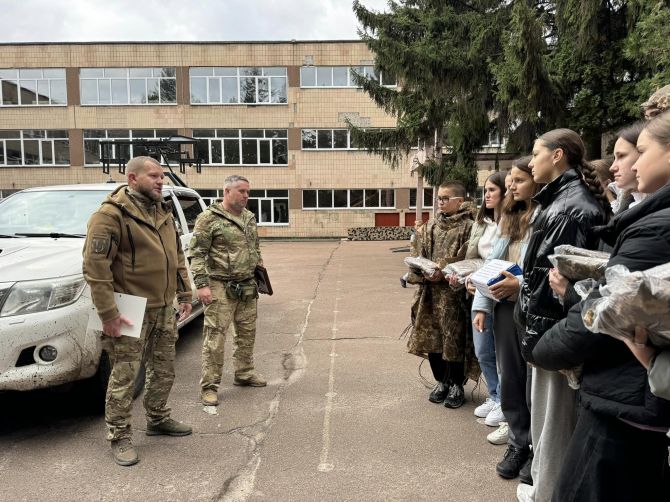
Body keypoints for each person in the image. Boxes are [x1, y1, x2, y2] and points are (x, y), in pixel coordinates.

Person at [531, 113, 670, 501]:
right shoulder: (643, 216)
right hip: (631, 393)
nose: (624, 164)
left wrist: (544, 347)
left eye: (638, 152)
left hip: (627, 402)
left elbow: (609, 306)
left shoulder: (653, 225)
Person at [83, 156, 194, 467]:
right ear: (132, 179)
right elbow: (95, 269)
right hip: (127, 306)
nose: (161, 181)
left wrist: (185, 293)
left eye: (162, 176)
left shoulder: (163, 209)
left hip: (162, 305)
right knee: (125, 375)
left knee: (164, 369)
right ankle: (119, 435)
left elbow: (177, 255)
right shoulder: (109, 216)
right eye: (154, 176)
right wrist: (108, 314)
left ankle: (158, 418)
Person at [517, 129, 609, 502]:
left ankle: (548, 493)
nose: (531, 160)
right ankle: (544, 486)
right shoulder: (559, 201)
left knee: (553, 420)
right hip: (546, 327)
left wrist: (539, 337)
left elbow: (555, 281)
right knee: (545, 416)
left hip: (553, 329)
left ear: (557, 156)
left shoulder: (571, 207)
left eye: (536, 154)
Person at [472, 156, 541, 480]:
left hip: (533, 307)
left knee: (533, 382)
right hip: (503, 306)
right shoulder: (510, 216)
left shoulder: (547, 213)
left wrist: (522, 284)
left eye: (518, 179)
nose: (511, 185)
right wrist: (483, 305)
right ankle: (518, 443)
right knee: (511, 378)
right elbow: (494, 262)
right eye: (510, 180)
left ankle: (536, 450)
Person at [190, 175, 266, 408]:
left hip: (246, 285)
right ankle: (210, 387)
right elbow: (197, 254)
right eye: (241, 191)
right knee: (215, 337)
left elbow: (254, 248)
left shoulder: (248, 218)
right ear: (226, 191)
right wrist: (202, 285)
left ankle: (244, 372)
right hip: (220, 285)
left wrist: (260, 274)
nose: (246, 196)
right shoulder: (208, 219)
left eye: (248, 192)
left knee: (246, 332)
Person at [406, 181, 479, 409]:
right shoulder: (430, 228)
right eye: (438, 198)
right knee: (432, 338)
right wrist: (422, 270)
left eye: (445, 199)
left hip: (454, 297)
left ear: (460, 201)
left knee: (453, 340)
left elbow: (472, 258)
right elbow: (417, 255)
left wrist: (446, 272)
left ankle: (457, 384)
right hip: (429, 295)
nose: (440, 202)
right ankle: (441, 382)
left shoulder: (469, 227)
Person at [464, 172, 506, 428]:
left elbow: (500, 262)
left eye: (492, 190)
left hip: (498, 293)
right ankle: (494, 394)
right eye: (485, 190)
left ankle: (504, 400)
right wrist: (469, 275)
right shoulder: (484, 223)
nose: (487, 195)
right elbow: (479, 258)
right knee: (483, 350)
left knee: (499, 351)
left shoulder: (511, 223)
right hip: (479, 291)